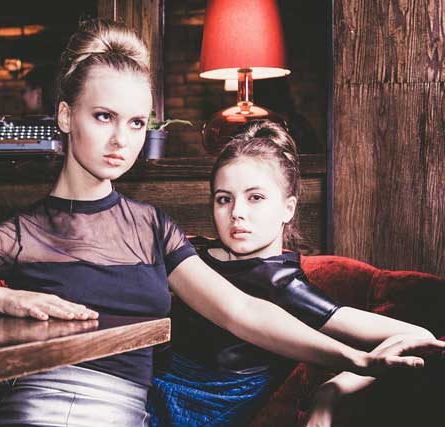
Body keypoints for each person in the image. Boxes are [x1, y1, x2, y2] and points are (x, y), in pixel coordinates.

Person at [0, 19, 444, 427]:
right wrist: (7, 300)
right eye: (103, 116)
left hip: (127, 412)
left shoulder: (152, 228)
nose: (121, 139)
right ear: (65, 116)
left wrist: (352, 362)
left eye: (137, 123)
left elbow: (244, 310)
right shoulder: (22, 231)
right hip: (35, 407)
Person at [148, 120, 443, 427]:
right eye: (224, 199)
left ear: (288, 208)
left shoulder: (284, 286)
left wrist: (330, 392)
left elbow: (418, 336)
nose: (237, 212)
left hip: (197, 413)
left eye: (255, 197)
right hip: (146, 386)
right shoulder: (191, 256)